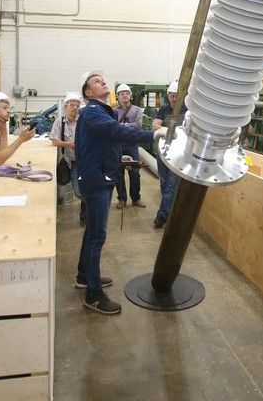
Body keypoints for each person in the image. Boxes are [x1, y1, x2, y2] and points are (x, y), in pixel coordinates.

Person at [75, 70, 159, 315]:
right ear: (88, 92)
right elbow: (117, 132)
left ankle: (84, 276)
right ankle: (93, 295)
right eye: (96, 81)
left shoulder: (101, 111)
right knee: (97, 237)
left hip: (100, 175)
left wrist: (118, 159)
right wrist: (152, 134)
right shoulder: (93, 111)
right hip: (97, 181)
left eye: (103, 79)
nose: (103, 82)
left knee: (91, 231)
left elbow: (105, 142)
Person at [151, 80, 187, 228]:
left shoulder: (188, 110)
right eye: (172, 95)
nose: (174, 98)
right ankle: (170, 209)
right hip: (163, 150)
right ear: (168, 96)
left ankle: (162, 215)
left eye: (177, 95)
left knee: (171, 184)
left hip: (179, 153)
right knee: (164, 182)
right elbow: (155, 126)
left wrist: (175, 132)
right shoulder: (164, 110)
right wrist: (169, 130)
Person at [50, 92, 83, 219]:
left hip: (82, 161)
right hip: (68, 160)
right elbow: (54, 141)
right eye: (72, 105)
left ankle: (86, 215)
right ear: (65, 107)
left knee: (79, 191)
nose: (75, 108)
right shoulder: (60, 122)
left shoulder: (83, 121)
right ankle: (87, 213)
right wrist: (68, 144)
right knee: (65, 184)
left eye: (77, 106)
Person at [114, 83, 145, 209]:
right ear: (117, 96)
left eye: (127, 93)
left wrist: (122, 126)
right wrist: (127, 126)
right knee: (118, 172)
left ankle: (136, 198)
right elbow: (111, 126)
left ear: (130, 96)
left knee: (135, 172)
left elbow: (138, 125)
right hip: (118, 145)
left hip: (132, 144)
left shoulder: (136, 110)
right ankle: (122, 199)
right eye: (122, 93)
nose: (124, 95)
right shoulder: (113, 111)